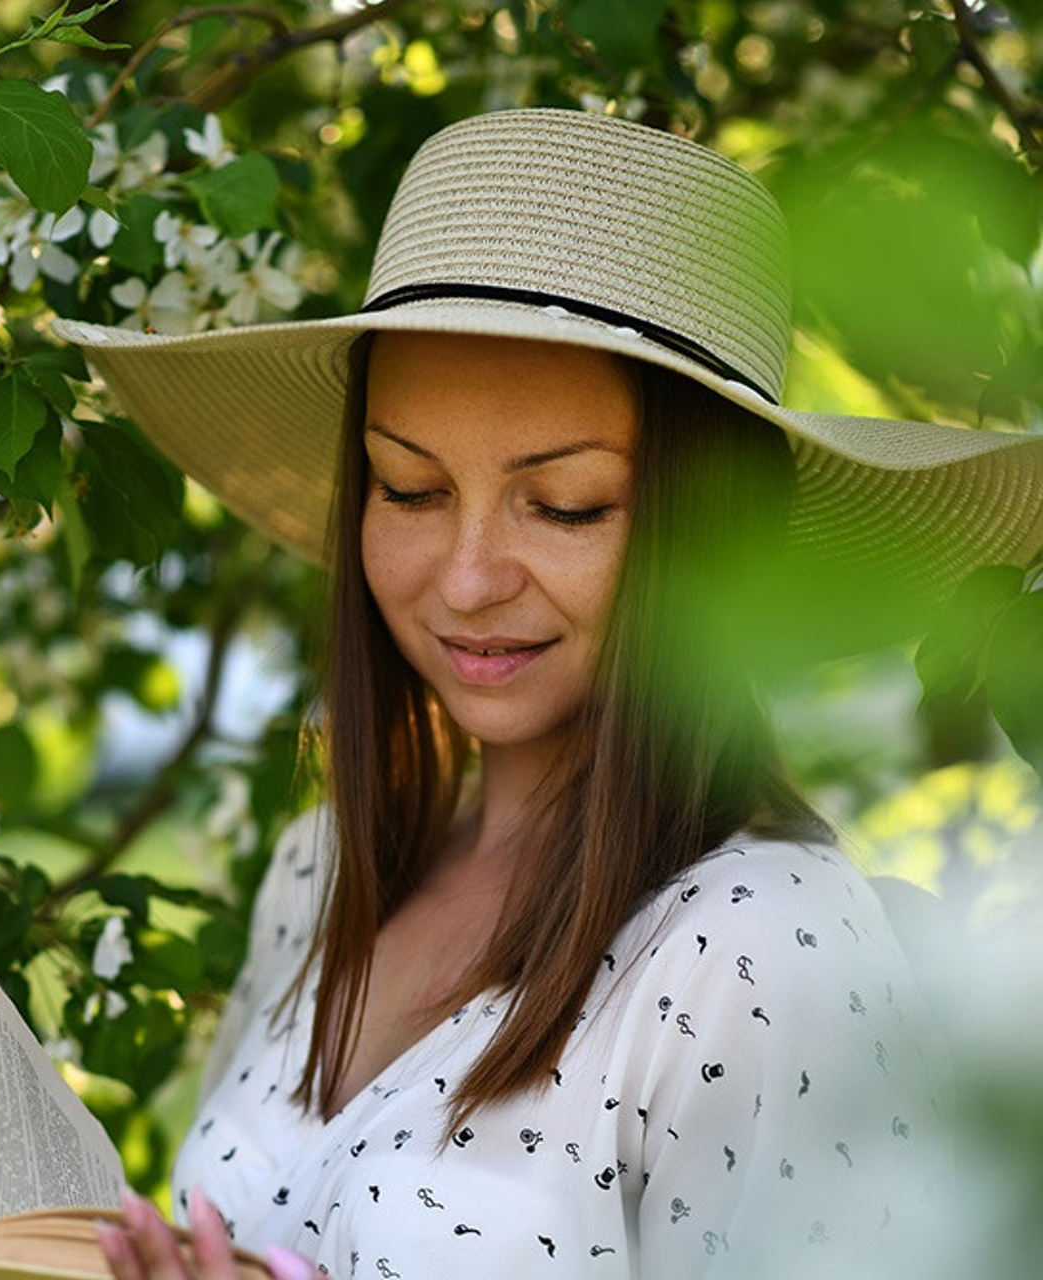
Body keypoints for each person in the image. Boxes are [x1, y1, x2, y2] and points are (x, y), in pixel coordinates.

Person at [59, 109, 1043, 1280]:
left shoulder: (758, 947)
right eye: (408, 487)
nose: (467, 580)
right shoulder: (322, 869)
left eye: (565, 504)